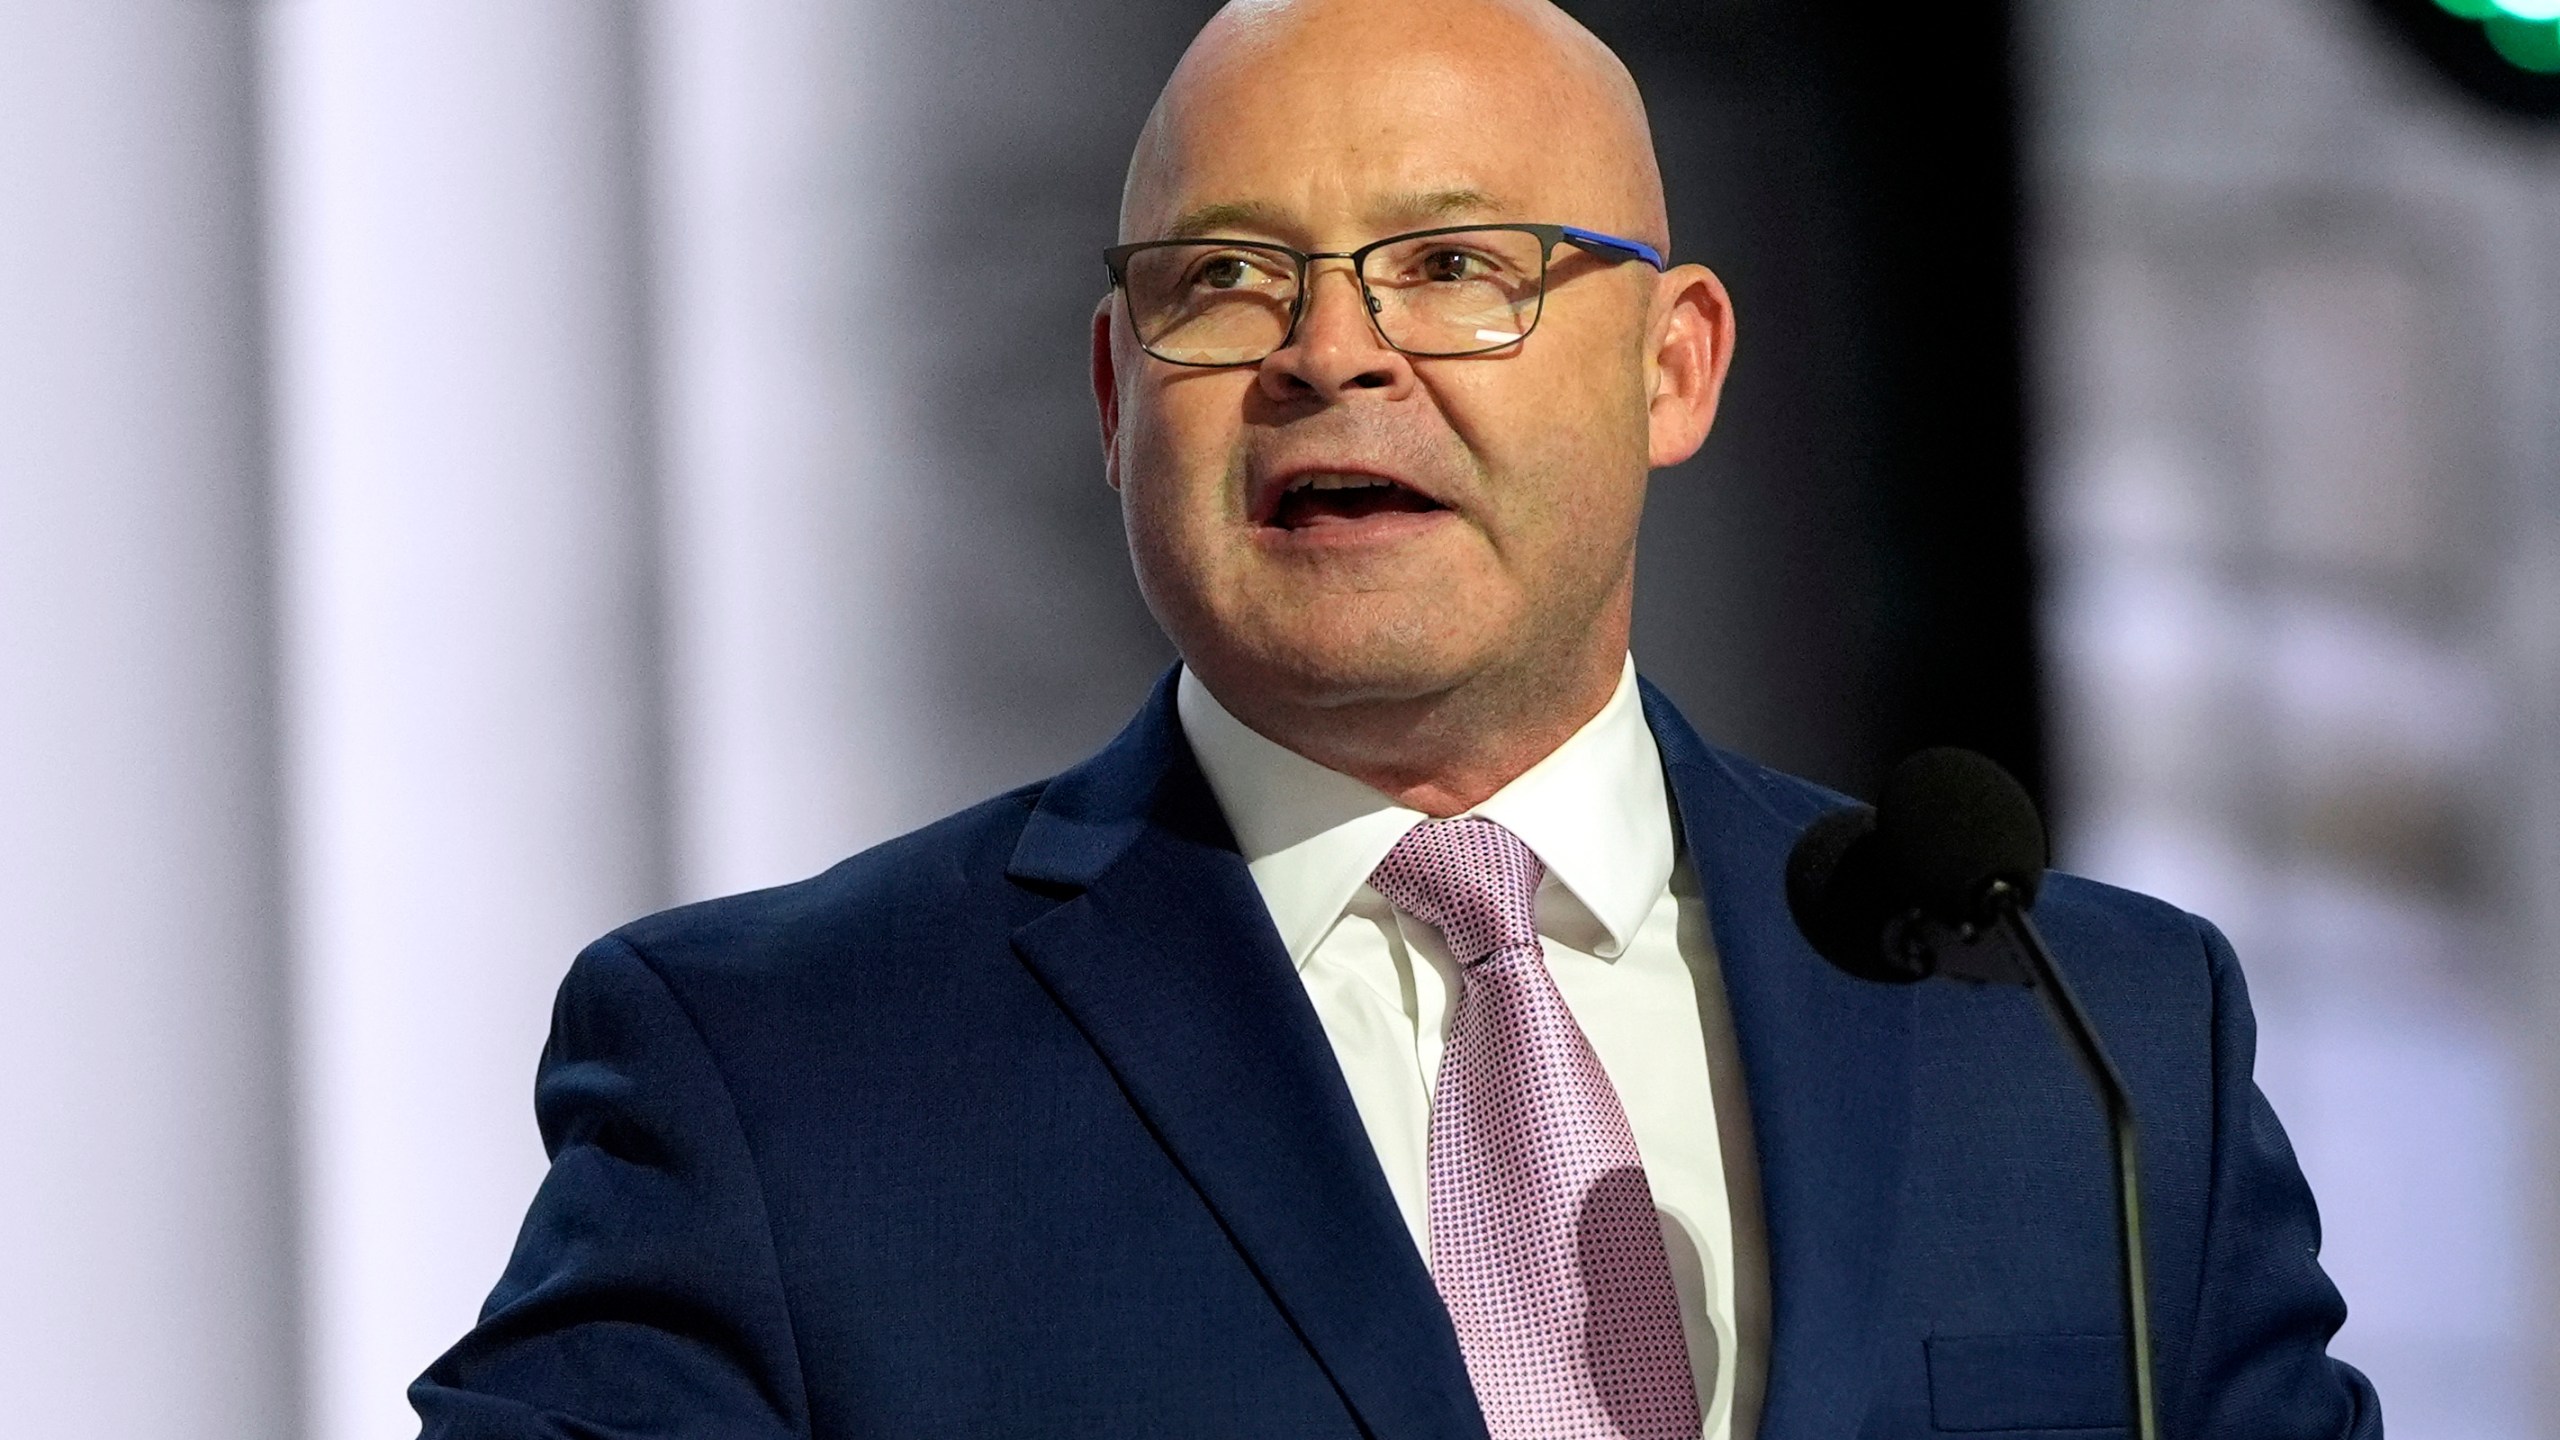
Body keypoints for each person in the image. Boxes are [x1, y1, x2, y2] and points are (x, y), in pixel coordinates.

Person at [412, 1, 2381, 1436]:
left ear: (1671, 367)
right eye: (1225, 280)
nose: (1328, 353)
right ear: (1116, 396)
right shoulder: (783, 1071)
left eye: (1450, 268)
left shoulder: (2082, 1044)